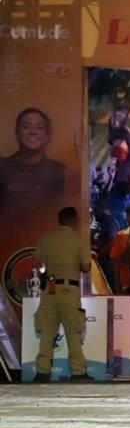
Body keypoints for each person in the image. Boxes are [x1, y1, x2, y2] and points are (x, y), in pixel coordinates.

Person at [32, 207, 92, 382]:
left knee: (47, 332)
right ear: (74, 220)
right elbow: (86, 267)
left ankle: (42, 371)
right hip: (69, 289)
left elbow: (37, 264)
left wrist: (46, 274)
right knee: (73, 332)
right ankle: (78, 371)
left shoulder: (46, 240)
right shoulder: (78, 241)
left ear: (59, 220)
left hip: (49, 289)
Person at [0, 108, 67, 215]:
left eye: (40, 128)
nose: (33, 132)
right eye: (26, 127)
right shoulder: (3, 167)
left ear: (46, 135)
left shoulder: (58, 170)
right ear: (17, 133)